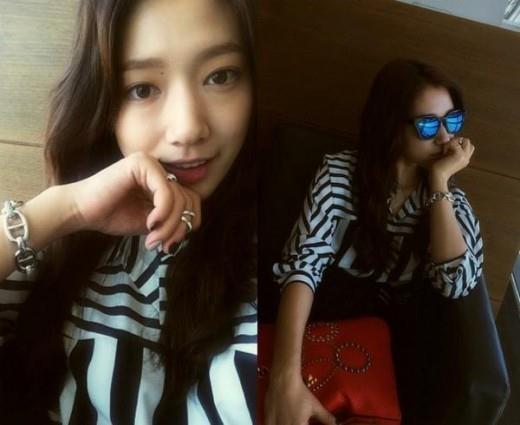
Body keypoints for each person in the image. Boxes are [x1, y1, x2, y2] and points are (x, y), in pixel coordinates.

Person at [0, 0, 256, 423]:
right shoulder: (54, 245)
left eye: (220, 75)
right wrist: (65, 209)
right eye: (142, 89)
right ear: (103, 105)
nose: (188, 128)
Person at [265, 59, 483, 425]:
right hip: (322, 315)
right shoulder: (338, 173)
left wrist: (439, 183)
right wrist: (284, 379)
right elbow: (303, 267)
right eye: (428, 125)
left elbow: (457, 283)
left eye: (452, 120)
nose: (445, 137)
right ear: (391, 125)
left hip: (393, 339)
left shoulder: (449, 203)